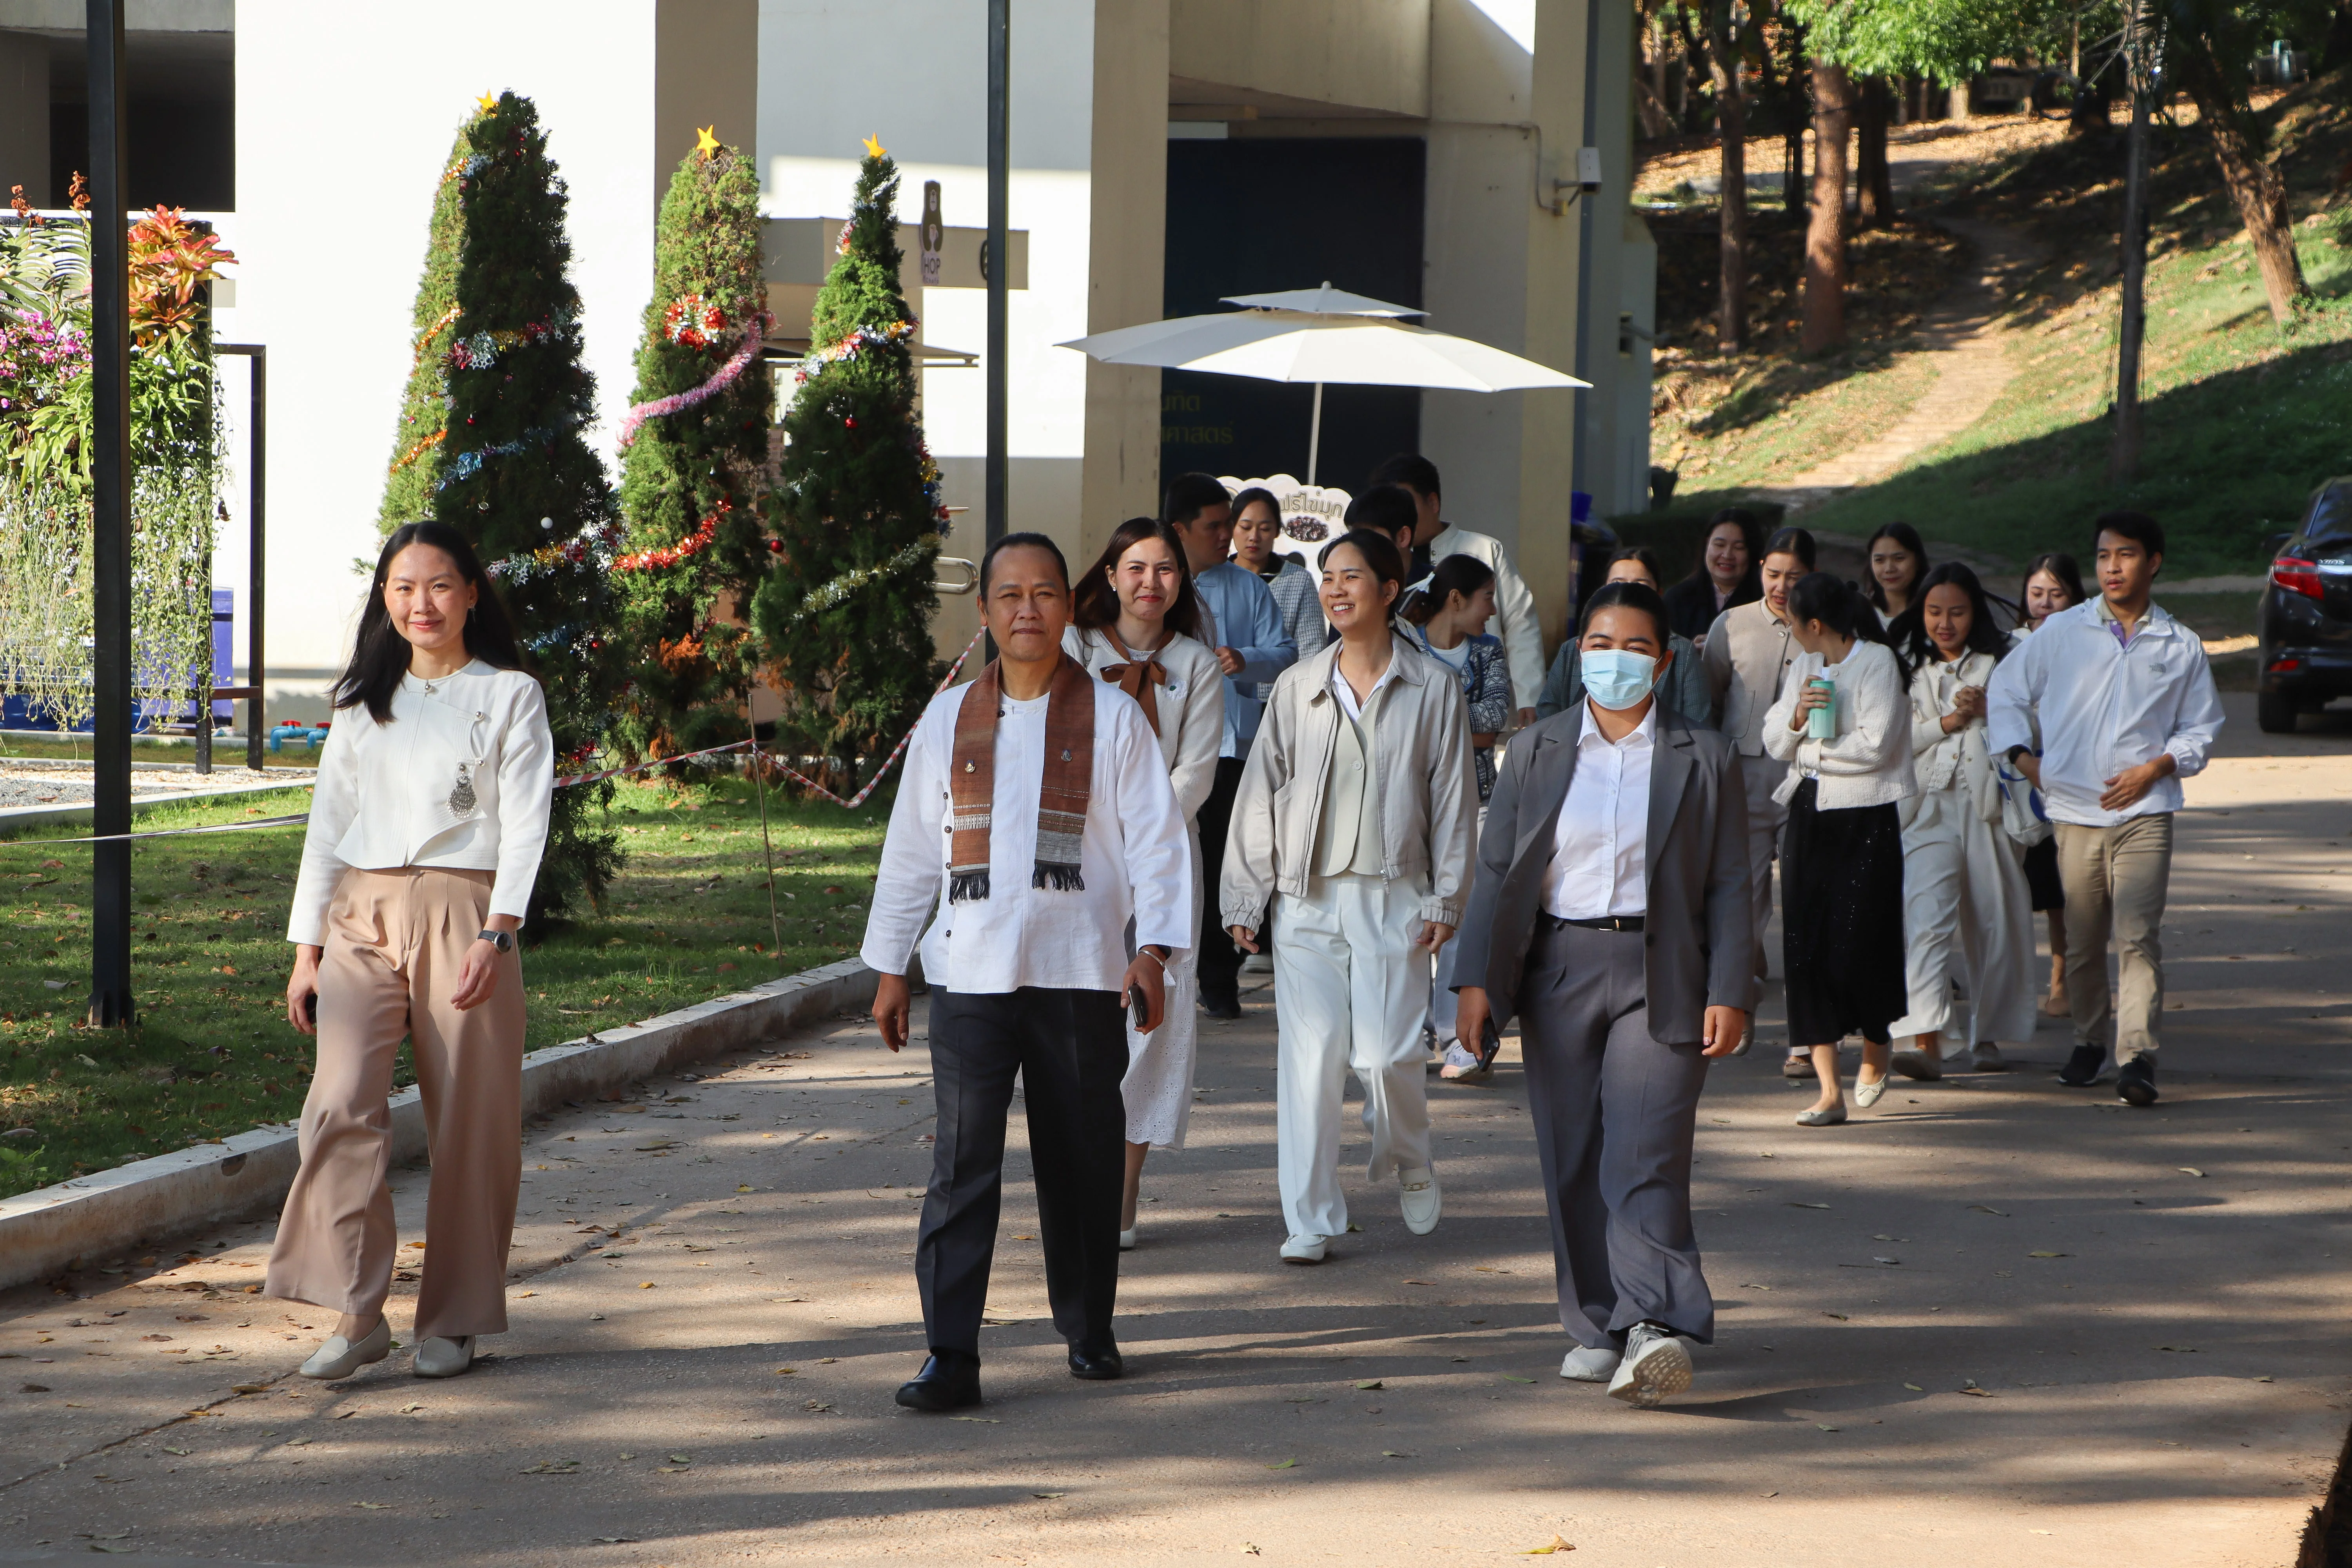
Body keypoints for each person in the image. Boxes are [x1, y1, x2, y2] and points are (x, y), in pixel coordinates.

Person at [863, 532, 1191, 1411]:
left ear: (1065, 606)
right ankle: (951, 1352)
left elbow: (1160, 845)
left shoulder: (1116, 716)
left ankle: (1089, 1328)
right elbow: (910, 852)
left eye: (1045, 593)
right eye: (1009, 595)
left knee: (1080, 1159)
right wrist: (892, 962)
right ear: (984, 611)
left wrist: (1153, 951)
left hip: (1081, 971)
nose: (1028, 610)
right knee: (962, 1162)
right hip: (971, 973)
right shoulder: (948, 717)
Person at [1450, 580, 1754, 1407]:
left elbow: (1731, 880)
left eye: (1632, 647)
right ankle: (1597, 1323)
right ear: (1575, 652)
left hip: (1665, 972)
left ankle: (1654, 1319)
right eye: (1597, 643)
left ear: (1664, 659)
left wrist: (1732, 986)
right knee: (1573, 1150)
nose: (1613, 660)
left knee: (1645, 1147)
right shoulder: (1540, 748)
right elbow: (1496, 871)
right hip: (1557, 969)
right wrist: (1475, 981)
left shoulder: (1705, 753)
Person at [270, 521, 554, 1383]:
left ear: (471, 593)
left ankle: (457, 1315)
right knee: (338, 1101)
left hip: (465, 911)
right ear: (383, 599)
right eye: (401, 586)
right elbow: (328, 825)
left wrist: (499, 929)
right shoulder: (363, 701)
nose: (419, 602)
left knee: (470, 1117)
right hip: (360, 909)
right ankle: (359, 1311)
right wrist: (306, 944)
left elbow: (529, 818)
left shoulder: (510, 694)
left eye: (437, 585)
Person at [1220, 528, 1476, 1265]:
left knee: (1392, 1055)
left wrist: (1447, 899)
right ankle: (1310, 1216)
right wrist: (1246, 894)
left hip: (1396, 895)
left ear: (1390, 590)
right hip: (1306, 900)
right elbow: (1261, 791)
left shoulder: (1434, 688)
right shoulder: (1298, 686)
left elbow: (1454, 800)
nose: (1335, 589)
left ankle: (1410, 1153)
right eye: (1327, 576)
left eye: (1352, 577)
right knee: (1312, 1056)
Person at [1987, 512, 2223, 1108]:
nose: (2112, 567)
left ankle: (2137, 1057)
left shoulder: (2180, 643)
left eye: (2125, 555)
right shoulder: (2064, 631)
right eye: (2102, 556)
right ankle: (2090, 1042)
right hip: (2074, 812)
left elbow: (2201, 727)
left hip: (2146, 811)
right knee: (2087, 940)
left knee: (2139, 936)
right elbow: (2007, 690)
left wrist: (2157, 767)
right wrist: (2024, 758)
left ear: (2154, 562)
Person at [1065, 519, 1225, 1250]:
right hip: (1081, 851)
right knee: (1082, 1005)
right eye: (1136, 568)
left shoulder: (1198, 664)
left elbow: (1197, 770)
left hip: (1167, 856)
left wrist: (1147, 827)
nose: (1150, 582)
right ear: (1110, 575)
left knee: (1156, 1024)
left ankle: (1125, 1181)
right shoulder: (1076, 648)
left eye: (1165, 569)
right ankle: (1083, 1171)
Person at [1877, 563, 2038, 1091]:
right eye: (1934, 612)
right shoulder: (1905, 668)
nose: (1945, 623)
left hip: (1988, 808)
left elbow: (2034, 729)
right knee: (1924, 917)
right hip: (1926, 809)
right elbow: (1895, 739)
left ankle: (1987, 1035)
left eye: (1957, 612)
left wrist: (1990, 711)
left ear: (1976, 613)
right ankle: (1924, 1039)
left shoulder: (2004, 663)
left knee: (1994, 920)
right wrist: (1946, 722)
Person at [1764, 573, 1917, 1127]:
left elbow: (1877, 745)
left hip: (1865, 817)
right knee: (1807, 944)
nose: (1788, 629)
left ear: (1814, 624)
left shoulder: (1876, 662)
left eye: (1791, 620)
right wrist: (1799, 718)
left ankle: (1878, 1042)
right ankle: (1829, 1091)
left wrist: (1811, 756)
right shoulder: (1804, 666)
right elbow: (1774, 739)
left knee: (1863, 939)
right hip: (1810, 816)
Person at [1165, 473, 1298, 1019]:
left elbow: (1286, 652)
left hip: (1230, 749)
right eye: (1215, 526)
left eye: (1230, 525)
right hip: (1164, 751)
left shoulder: (1247, 587)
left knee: (1222, 858)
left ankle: (1218, 978)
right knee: (1168, 857)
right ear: (1181, 529)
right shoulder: (1158, 583)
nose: (1227, 536)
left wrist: (1245, 659)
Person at [1701, 525, 1815, 1067]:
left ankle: (1806, 1030)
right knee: (1741, 900)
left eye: (1794, 577)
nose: (1781, 586)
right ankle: (1737, 1010)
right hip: (1743, 777)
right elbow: (1712, 693)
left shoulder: (1826, 628)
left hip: (1807, 777)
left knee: (1802, 899)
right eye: (1773, 574)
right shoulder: (1732, 624)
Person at [1401, 553, 1512, 1080]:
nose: (1493, 609)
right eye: (1488, 596)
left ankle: (1455, 1035)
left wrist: (1431, 722)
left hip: (1476, 799)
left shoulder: (1489, 652)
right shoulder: (1404, 644)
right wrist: (1453, 725)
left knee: (1460, 918)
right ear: (1456, 599)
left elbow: (1494, 722)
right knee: (1409, 915)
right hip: (1410, 802)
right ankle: (1409, 1030)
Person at [1370, 453, 1544, 725]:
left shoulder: (1485, 550)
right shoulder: (1380, 564)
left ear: (1433, 502)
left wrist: (1529, 697)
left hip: (1485, 707)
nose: (1399, 514)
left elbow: (1521, 626)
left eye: (1407, 504)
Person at [2014, 551, 2087, 1018]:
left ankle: (2064, 979)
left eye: (2055, 594)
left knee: (2062, 894)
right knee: (2016, 891)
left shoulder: (2087, 642)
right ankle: (2015, 991)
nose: (2044, 603)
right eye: (2037, 593)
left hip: (2070, 783)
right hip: (2017, 782)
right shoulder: (2009, 643)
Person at [1539, 547, 1714, 728]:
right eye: (1617, 584)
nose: (1629, 593)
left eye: (1640, 585)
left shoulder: (1682, 653)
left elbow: (1698, 723)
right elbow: (1549, 708)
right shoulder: (1572, 649)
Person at [1231, 486, 1325, 698]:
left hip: (1281, 702)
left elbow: (1312, 652)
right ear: (1231, 529)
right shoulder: (1215, 579)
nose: (1254, 537)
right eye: (1245, 527)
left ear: (1277, 531)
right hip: (1224, 704)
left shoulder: (1298, 580)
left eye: (1264, 528)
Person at [1662, 509, 1761, 646]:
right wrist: (1689, 652)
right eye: (1720, 545)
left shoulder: (1763, 602)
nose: (1727, 555)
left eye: (1739, 548)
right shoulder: (1677, 599)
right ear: (1707, 544)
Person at [1863, 522, 1930, 629]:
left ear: (1918, 561)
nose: (1889, 569)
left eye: (1899, 558)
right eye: (1880, 560)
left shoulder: (1935, 612)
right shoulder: (1862, 614)